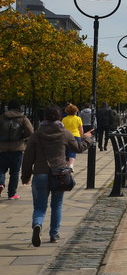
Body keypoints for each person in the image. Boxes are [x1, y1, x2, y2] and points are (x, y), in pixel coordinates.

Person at [21, 104, 91, 245]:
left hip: (40, 174)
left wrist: (26, 177)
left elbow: (28, 157)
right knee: (57, 204)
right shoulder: (64, 133)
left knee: (39, 207)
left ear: (44, 117)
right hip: (59, 173)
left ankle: (37, 225)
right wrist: (88, 138)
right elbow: (78, 148)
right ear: (59, 117)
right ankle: (54, 234)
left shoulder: (37, 134)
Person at [0, 99, 34, 200]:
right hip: (17, 148)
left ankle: (1, 184)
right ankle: (12, 193)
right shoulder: (23, 118)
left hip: (2, 148)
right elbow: (30, 131)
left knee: (1, 169)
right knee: (14, 172)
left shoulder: (2, 118)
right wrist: (23, 137)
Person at [61, 104, 84, 169]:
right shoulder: (78, 119)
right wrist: (82, 136)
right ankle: (71, 164)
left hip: (66, 136)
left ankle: (67, 165)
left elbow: (62, 128)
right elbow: (80, 129)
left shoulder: (64, 119)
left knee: (66, 151)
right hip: (76, 135)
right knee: (73, 151)